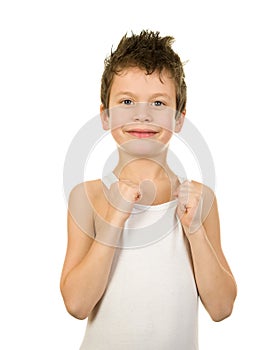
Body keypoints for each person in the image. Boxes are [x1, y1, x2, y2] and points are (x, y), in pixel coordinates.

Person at [60, 30, 237, 350]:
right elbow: (76, 304)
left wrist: (194, 230)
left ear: (179, 119)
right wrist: (114, 220)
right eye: (127, 101)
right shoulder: (88, 196)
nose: (142, 114)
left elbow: (221, 308)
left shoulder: (201, 199)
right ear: (105, 115)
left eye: (158, 102)